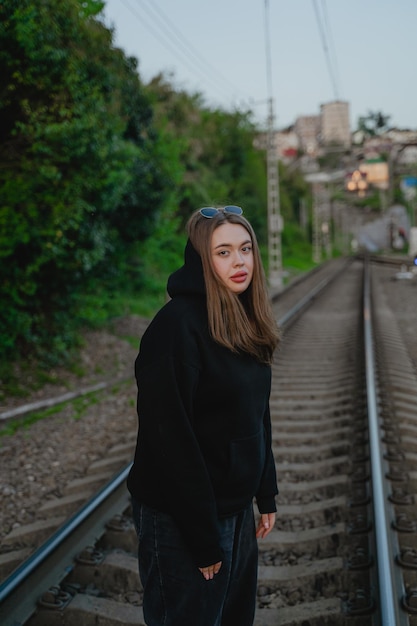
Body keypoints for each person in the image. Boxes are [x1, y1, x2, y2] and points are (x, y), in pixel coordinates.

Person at [127, 205, 280, 626]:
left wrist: (265, 490)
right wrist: (203, 538)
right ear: (202, 261)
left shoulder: (245, 317)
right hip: (180, 516)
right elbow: (170, 440)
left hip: (233, 509)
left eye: (245, 249)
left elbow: (256, 411)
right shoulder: (175, 328)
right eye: (223, 252)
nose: (239, 262)